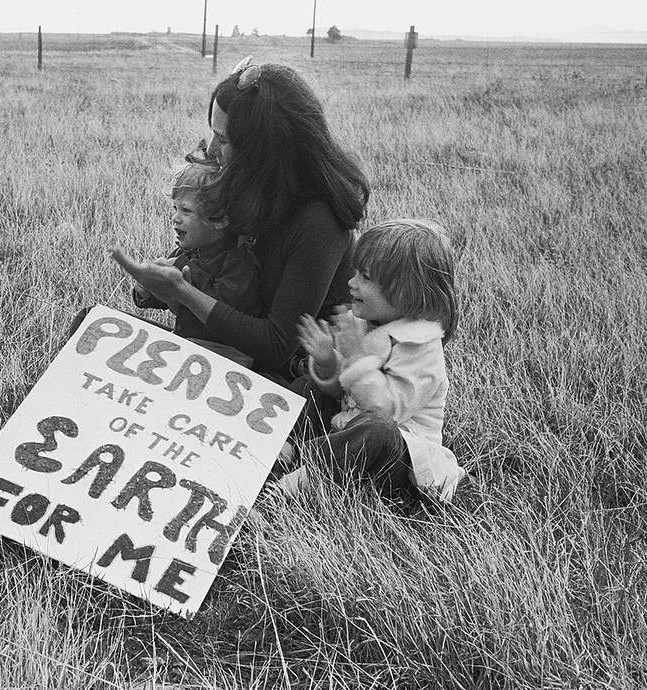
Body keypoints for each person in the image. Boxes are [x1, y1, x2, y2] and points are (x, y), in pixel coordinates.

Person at [111, 57, 369, 385]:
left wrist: (184, 292)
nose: (213, 148)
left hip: (287, 378)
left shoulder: (319, 223)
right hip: (222, 350)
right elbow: (207, 274)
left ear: (264, 150)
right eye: (214, 133)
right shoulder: (246, 187)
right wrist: (159, 285)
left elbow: (276, 346)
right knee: (91, 326)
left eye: (225, 139)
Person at [275, 218, 466, 503]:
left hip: (394, 466)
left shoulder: (422, 348)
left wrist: (354, 358)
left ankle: (295, 486)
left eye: (365, 277)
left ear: (406, 292)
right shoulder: (366, 323)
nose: (351, 283)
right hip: (348, 430)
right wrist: (328, 362)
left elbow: (386, 411)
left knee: (378, 429)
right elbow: (342, 390)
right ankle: (281, 449)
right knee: (307, 387)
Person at [131, 161, 261, 368]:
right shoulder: (185, 253)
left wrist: (180, 281)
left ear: (220, 219)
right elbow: (167, 297)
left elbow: (218, 312)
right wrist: (146, 290)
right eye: (175, 208)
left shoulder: (239, 264)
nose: (175, 218)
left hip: (226, 359)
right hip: (188, 347)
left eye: (186, 210)